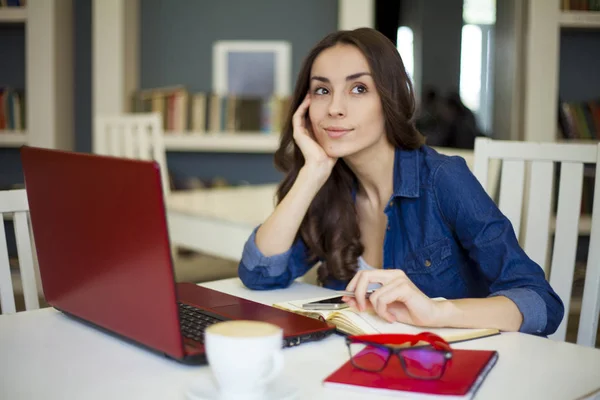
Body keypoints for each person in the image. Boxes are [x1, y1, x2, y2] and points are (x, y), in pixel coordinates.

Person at [237, 28, 563, 336]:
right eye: (322, 90)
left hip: (447, 370)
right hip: (365, 365)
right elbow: (260, 273)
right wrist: (312, 172)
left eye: (359, 88)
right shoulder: (328, 188)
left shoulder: (442, 179)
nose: (334, 108)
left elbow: (540, 301)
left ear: (390, 98)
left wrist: (437, 312)